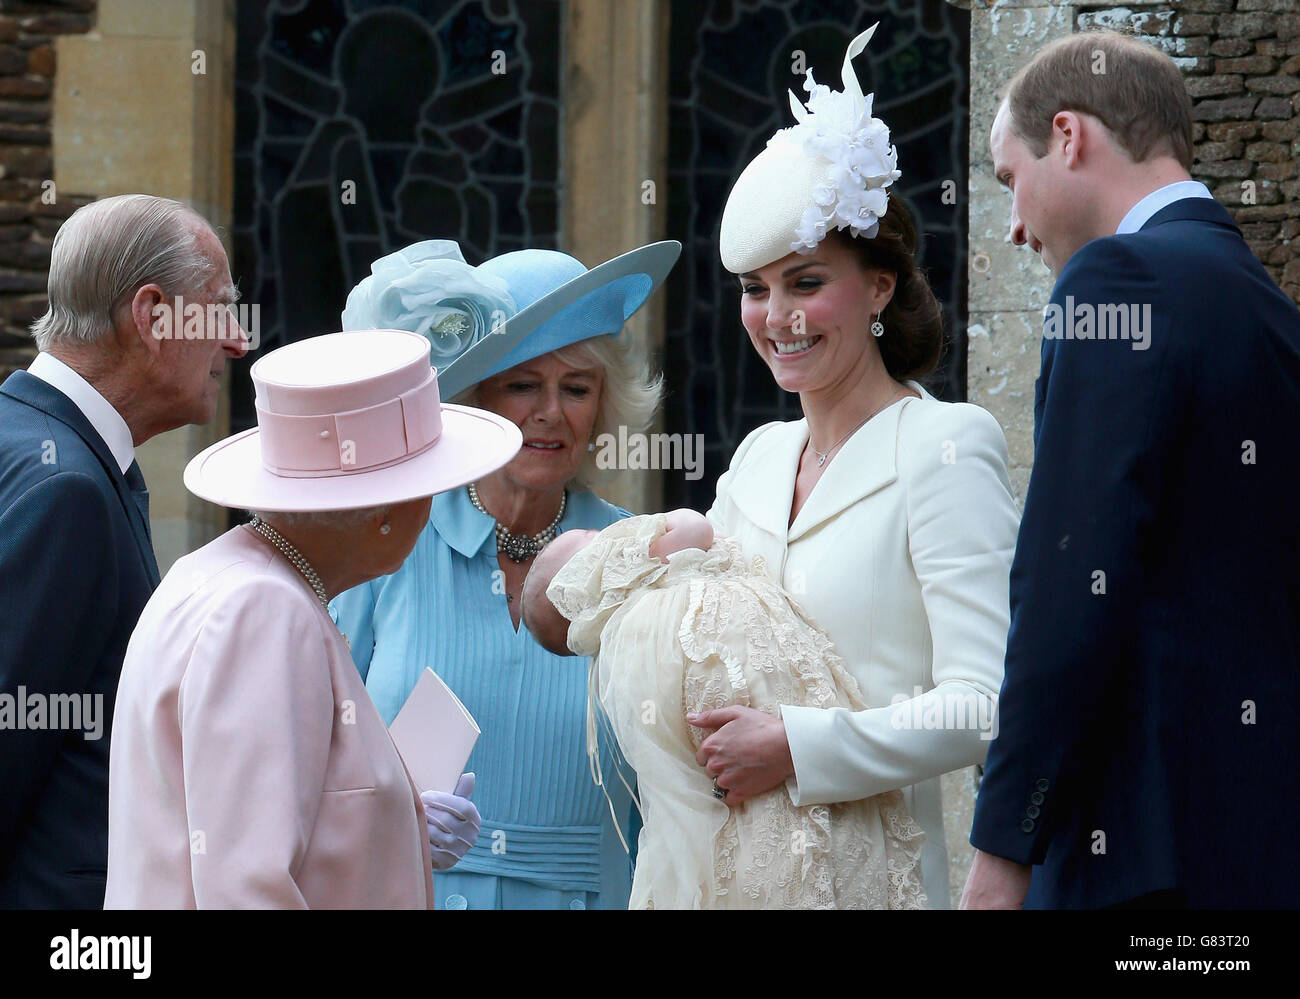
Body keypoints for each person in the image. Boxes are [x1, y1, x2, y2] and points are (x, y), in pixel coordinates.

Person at [963, 30, 1300, 910]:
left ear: (1068, 137)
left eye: (1010, 180)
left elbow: (1071, 578)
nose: (1016, 224)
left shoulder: (1119, 281)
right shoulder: (1268, 310)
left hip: (1134, 862)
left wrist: (1005, 845)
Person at [691, 24, 1021, 908]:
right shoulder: (756, 459)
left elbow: (981, 701)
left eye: (805, 282)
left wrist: (799, 747)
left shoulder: (946, 444)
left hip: (874, 880)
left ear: (879, 286)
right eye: (755, 290)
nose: (776, 316)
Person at [104, 329, 520, 907]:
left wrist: (398, 826)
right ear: (383, 510)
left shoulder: (227, 576)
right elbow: (249, 888)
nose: (432, 508)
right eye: (429, 486)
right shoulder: (264, 610)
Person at [331, 238, 679, 910]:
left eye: (576, 388)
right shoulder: (388, 543)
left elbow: (666, 783)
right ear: (474, 397)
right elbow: (314, 744)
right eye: (523, 384)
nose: (550, 411)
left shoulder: (633, 557)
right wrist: (387, 814)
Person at [0, 194, 249, 908]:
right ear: (151, 314)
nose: (236, 339)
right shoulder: (67, 489)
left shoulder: (35, 443)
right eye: (219, 307)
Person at [522, 512, 929, 910]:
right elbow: (697, 527)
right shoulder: (648, 592)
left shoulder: (628, 651)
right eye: (592, 537)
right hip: (809, 805)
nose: (614, 533)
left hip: (791, 807)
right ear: (591, 577)